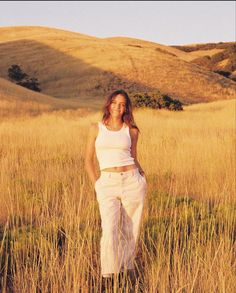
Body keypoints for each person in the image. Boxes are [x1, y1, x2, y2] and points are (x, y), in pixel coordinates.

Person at [85, 89, 147, 289]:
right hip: (107, 183)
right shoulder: (96, 129)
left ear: (126, 108)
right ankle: (108, 276)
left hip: (132, 181)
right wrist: (97, 184)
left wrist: (141, 175)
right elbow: (88, 160)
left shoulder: (131, 130)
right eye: (114, 103)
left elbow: (134, 156)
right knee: (110, 228)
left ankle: (125, 272)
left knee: (130, 230)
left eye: (122, 104)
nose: (117, 107)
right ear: (108, 104)